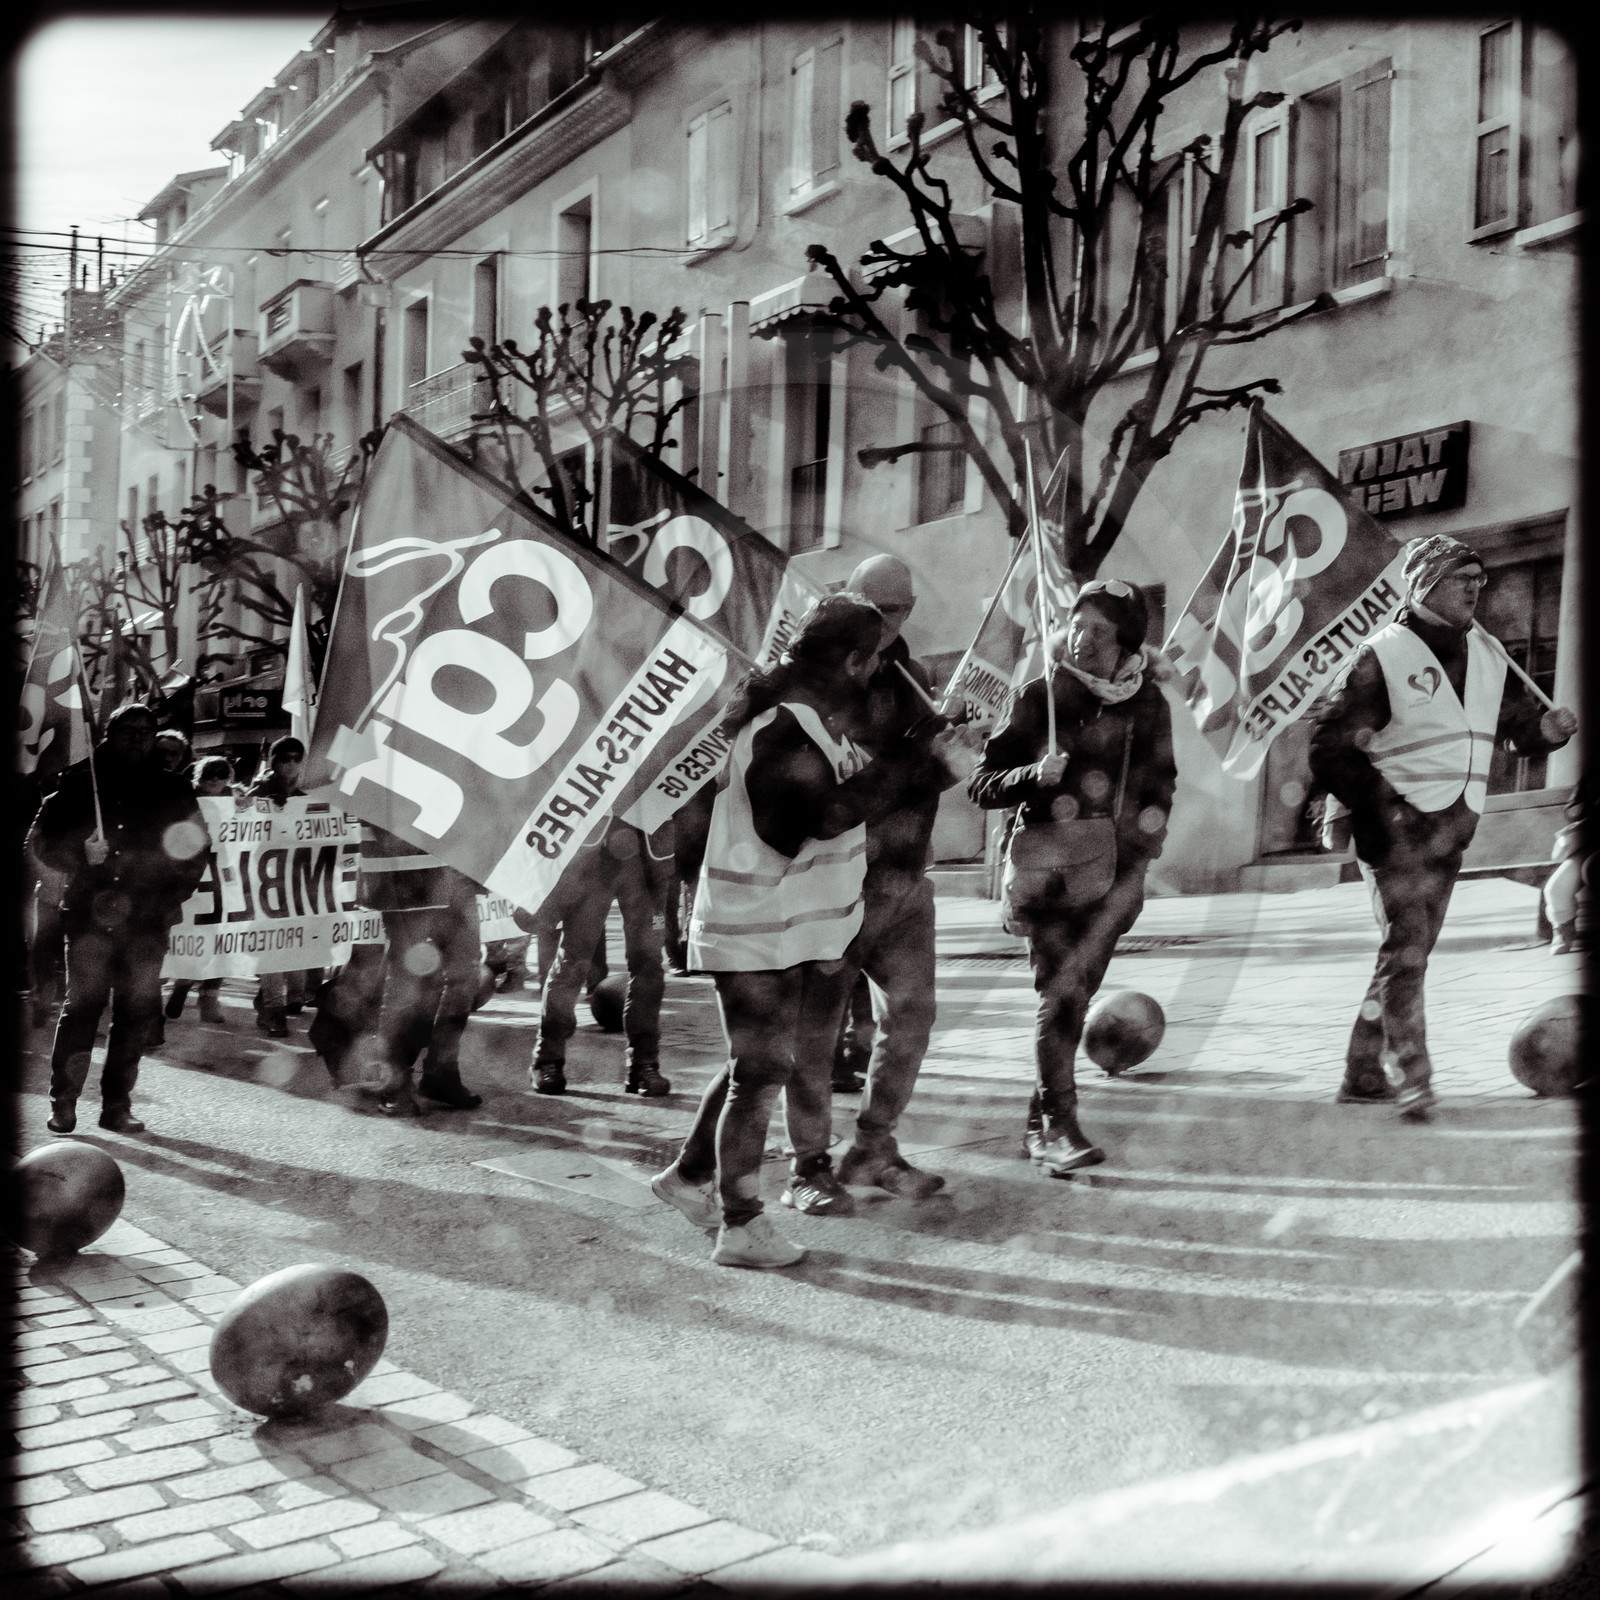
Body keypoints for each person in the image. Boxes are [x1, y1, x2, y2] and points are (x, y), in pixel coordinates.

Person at [650, 593, 960, 1267]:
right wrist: (921, 769)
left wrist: (923, 757)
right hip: (753, 928)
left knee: (754, 1066)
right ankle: (741, 1224)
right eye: (873, 658)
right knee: (760, 1073)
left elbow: (852, 788)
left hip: (780, 929)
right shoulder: (782, 723)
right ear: (853, 659)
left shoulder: (810, 715)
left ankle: (688, 1177)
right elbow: (802, 823)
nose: (878, 669)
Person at [1310, 534, 1577, 1118]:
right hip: (1391, 831)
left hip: (1452, 828)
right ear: (1427, 581)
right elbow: (1328, 750)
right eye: (1464, 578)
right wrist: (1388, 807)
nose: (1477, 588)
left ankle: (1360, 1073)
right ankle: (1414, 1077)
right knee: (1406, 950)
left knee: (1407, 953)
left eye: (1481, 579)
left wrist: (1546, 733)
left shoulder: (1486, 652)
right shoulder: (1382, 653)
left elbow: (1513, 728)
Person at [969, 580, 1176, 1176]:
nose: (1083, 642)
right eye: (1078, 627)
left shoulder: (1148, 704)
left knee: (1076, 998)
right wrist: (1034, 775)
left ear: (1127, 645)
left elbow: (1162, 787)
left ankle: (1038, 1127)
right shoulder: (1042, 696)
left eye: (1100, 633)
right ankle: (1060, 1126)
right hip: (1050, 877)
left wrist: (1141, 863)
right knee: (1060, 996)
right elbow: (981, 785)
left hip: (1116, 881)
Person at [821, 553, 977, 1198]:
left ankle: (873, 1145)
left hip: (906, 875)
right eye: (879, 610)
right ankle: (806, 1162)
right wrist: (931, 759)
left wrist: (953, 734)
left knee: (912, 1015)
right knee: (817, 1028)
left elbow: (917, 767)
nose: (889, 623)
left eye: (902, 611)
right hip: (839, 879)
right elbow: (852, 786)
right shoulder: (832, 680)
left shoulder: (912, 675)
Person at [28, 701, 210, 1134]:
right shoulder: (77, 783)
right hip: (90, 917)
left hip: (147, 921)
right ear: (108, 733)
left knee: (134, 1014)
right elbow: (38, 843)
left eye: (146, 731)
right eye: (128, 729)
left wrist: (171, 897)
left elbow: (196, 849)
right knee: (82, 1010)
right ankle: (65, 1104)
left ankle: (117, 1107)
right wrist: (79, 855)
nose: (137, 738)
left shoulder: (173, 790)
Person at [519, 815, 674, 1098]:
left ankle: (644, 1063)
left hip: (648, 852)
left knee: (649, 968)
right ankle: (547, 1059)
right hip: (591, 854)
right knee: (572, 963)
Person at [359, 821, 484, 1115]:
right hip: (403, 864)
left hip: (455, 862)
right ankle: (392, 1080)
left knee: (465, 971)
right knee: (406, 976)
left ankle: (442, 1070)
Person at [162, 756, 238, 1027]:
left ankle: (206, 997)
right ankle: (181, 984)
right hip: (190, 878)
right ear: (199, 777)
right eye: (209, 775)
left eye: (221, 775)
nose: (215, 781)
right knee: (186, 938)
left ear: (229, 777)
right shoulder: (187, 799)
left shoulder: (236, 801)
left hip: (220, 879)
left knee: (216, 942)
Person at [246, 736, 315, 1036]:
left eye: (296, 757)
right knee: (272, 946)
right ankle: (274, 1010)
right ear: (272, 761)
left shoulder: (313, 794)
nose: (290, 763)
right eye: (283, 757)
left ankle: (281, 995)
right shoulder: (256, 795)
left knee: (295, 942)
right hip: (264, 882)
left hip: (301, 881)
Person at [1544, 775, 1590, 956]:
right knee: (1555, 888)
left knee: (1592, 870)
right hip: (1590, 842)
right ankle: (1563, 930)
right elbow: (1572, 808)